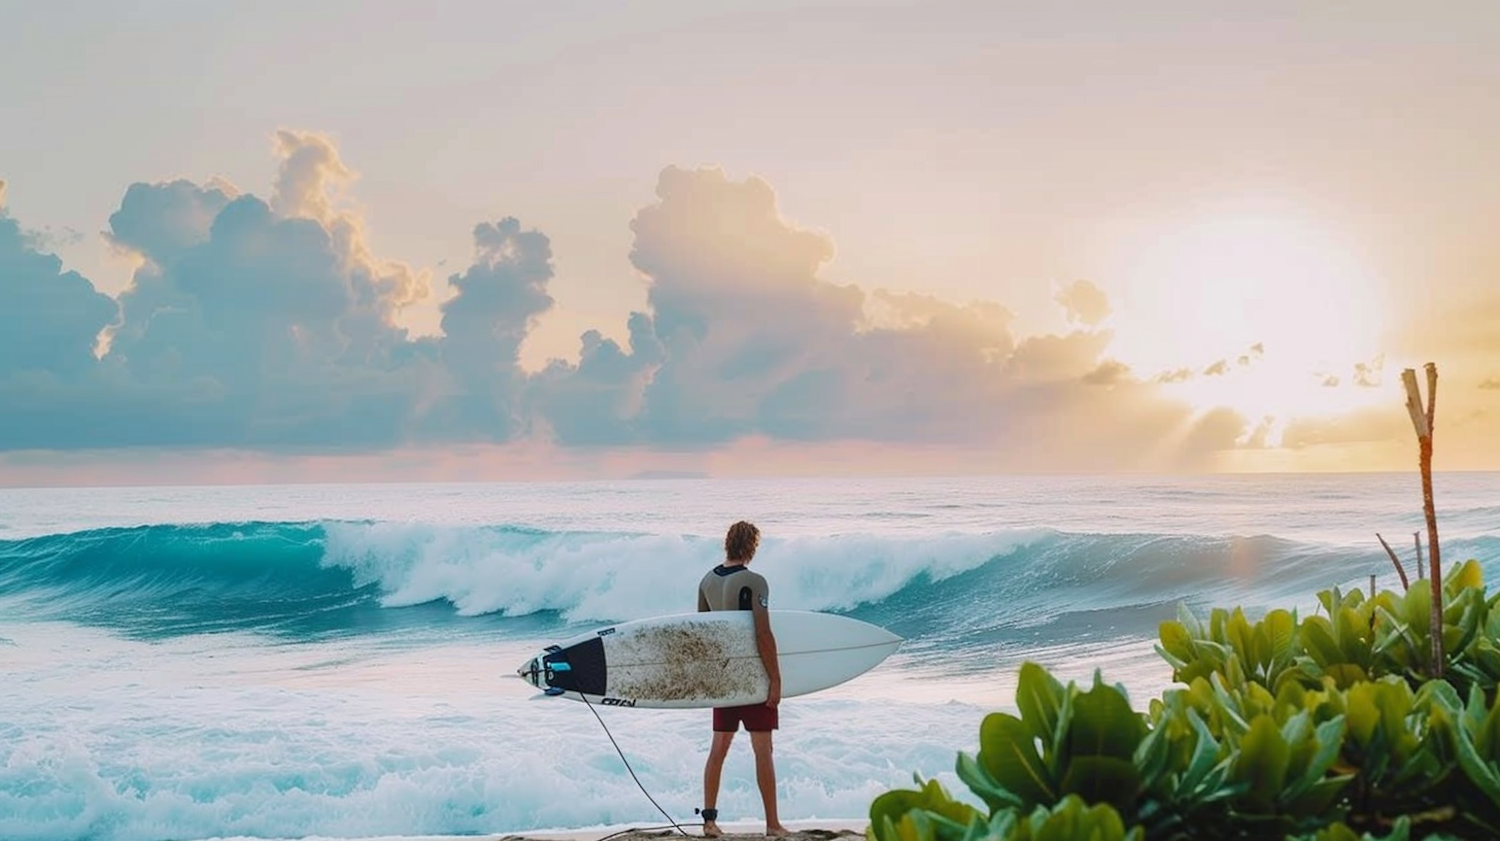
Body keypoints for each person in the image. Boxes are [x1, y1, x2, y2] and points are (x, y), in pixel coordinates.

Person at [696, 520, 789, 838]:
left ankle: (709, 822)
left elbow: (703, 633)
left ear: (727, 544)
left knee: (718, 747)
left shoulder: (706, 580)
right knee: (763, 749)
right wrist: (775, 680)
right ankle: (773, 825)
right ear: (751, 547)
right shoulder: (755, 581)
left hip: (723, 677)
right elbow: (763, 634)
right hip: (751, 676)